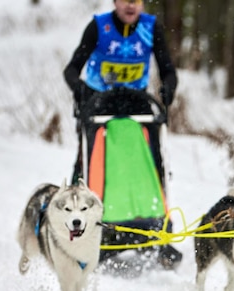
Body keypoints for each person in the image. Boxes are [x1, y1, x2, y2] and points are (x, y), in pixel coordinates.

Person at [63, 0, 178, 186]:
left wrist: (169, 87)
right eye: (125, 0)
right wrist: (78, 87)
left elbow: (168, 70)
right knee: (90, 154)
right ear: (115, 2)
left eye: (136, 1)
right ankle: (80, 190)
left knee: (153, 147)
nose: (131, 5)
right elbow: (71, 69)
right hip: (99, 100)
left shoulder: (150, 27)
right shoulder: (99, 26)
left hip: (136, 99)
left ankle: (156, 197)